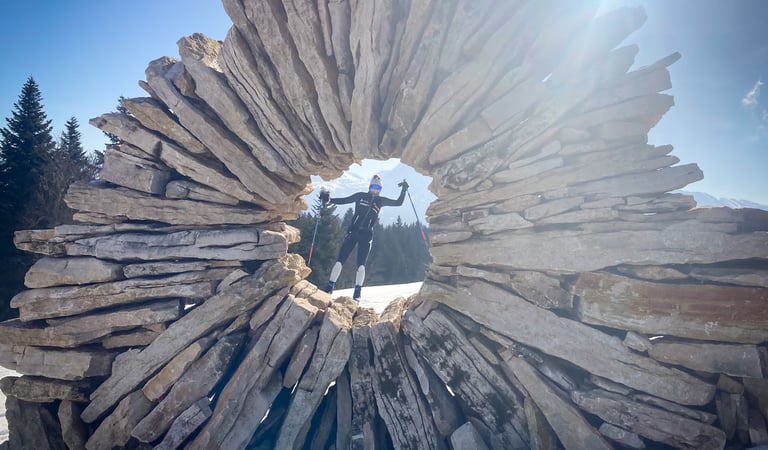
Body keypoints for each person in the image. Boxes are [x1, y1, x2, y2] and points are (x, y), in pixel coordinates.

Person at [320, 175, 409, 301]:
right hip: (353, 232)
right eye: (374, 187)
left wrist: (404, 190)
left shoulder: (380, 201)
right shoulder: (360, 196)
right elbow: (344, 200)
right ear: (370, 187)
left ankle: (357, 292)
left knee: (361, 265)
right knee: (340, 261)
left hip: (366, 236)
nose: (375, 190)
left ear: (380, 189)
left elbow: (398, 203)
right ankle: (330, 286)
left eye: (378, 188)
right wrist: (328, 200)